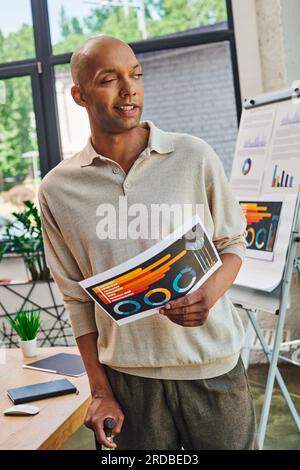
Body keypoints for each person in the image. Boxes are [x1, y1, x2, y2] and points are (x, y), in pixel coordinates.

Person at [38, 35, 257, 450]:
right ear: (79, 95)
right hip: (127, 380)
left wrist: (209, 294)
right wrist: (100, 391)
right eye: (109, 79)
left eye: (135, 74)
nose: (129, 89)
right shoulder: (57, 189)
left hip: (211, 370)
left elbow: (232, 243)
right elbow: (77, 300)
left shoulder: (194, 156)